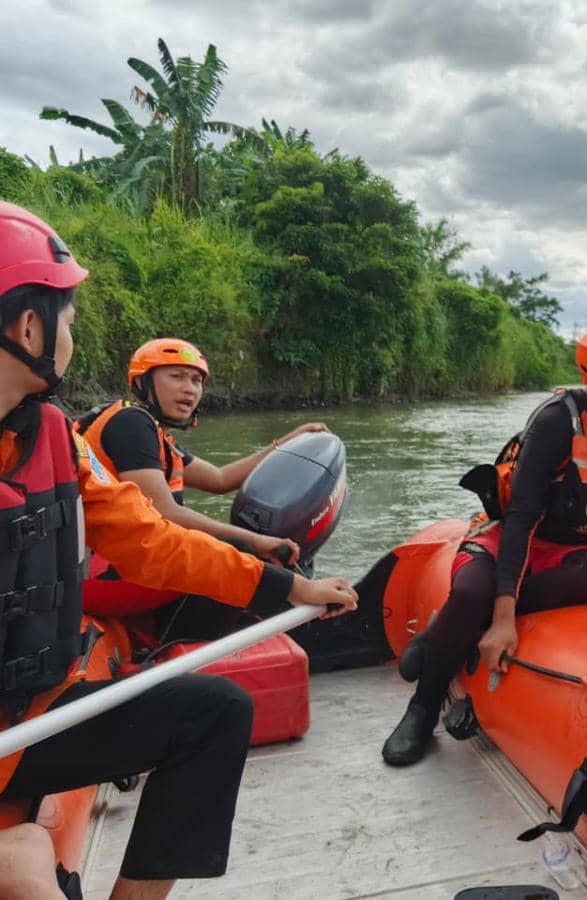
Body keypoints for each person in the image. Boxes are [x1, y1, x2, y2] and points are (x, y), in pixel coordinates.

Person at [0, 201, 357, 900]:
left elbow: (151, 538)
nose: (73, 332)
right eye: (69, 317)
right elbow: (165, 522)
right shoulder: (124, 428)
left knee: (215, 712)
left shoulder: (52, 436)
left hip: (37, 711)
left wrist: (284, 588)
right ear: (31, 327)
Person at [381, 318, 587, 767]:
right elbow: (520, 518)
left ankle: (450, 627)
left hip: (566, 550)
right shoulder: (556, 422)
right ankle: (421, 708)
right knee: (474, 591)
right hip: (507, 537)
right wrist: (502, 618)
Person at [75, 339, 328, 638]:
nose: (189, 389)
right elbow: (166, 514)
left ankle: (294, 624)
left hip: (120, 568)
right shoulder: (130, 424)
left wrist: (284, 443)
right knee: (242, 550)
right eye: (177, 376)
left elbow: (220, 479)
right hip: (102, 575)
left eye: (196, 381)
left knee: (248, 547)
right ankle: (191, 643)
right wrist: (256, 541)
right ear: (143, 383)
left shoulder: (157, 435)